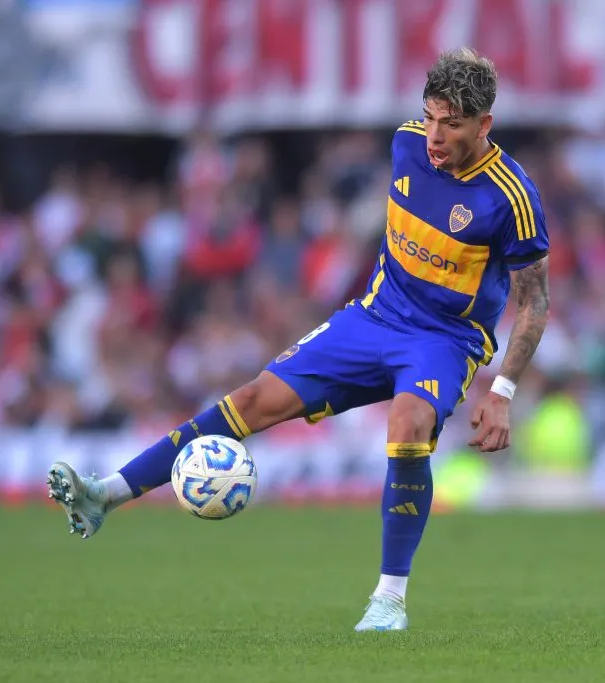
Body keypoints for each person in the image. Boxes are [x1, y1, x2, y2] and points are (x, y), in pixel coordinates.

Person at [47, 48, 550, 632]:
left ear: (484, 125)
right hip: (375, 317)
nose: (435, 135)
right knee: (253, 400)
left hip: (443, 340)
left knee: (408, 423)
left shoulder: (511, 197)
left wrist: (504, 391)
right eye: (430, 117)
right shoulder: (406, 142)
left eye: (452, 124)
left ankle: (389, 600)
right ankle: (103, 495)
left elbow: (534, 303)